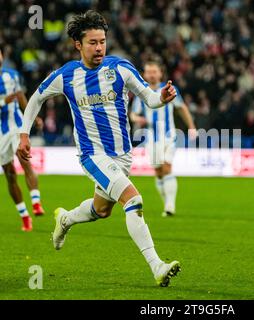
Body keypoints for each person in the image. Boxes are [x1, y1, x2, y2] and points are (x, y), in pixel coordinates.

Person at [17, 11, 180, 287]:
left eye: (102, 41)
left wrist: (162, 98)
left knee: (101, 210)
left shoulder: (120, 68)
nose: (99, 48)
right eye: (92, 42)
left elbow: (150, 98)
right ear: (78, 45)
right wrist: (24, 133)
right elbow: (36, 98)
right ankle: (157, 266)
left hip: (122, 155)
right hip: (92, 155)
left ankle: (66, 219)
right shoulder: (67, 75)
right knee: (134, 201)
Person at [130, 61, 196, 217]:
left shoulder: (170, 90)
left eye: (155, 71)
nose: (152, 74)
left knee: (167, 167)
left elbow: (182, 108)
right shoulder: (141, 92)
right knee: (159, 172)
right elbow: (133, 114)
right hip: (151, 138)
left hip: (169, 136)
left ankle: (169, 206)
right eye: (149, 71)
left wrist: (191, 126)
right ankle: (166, 202)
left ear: (160, 73)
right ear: (144, 74)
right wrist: (137, 119)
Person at [0, 46, 45, 232]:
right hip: (1, 132)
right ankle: (24, 216)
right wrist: (4, 101)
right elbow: (10, 99)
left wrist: (32, 117)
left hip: (18, 125)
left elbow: (21, 97)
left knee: (25, 160)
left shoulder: (12, 74)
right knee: (10, 175)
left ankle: (36, 202)